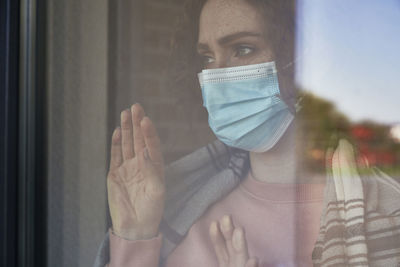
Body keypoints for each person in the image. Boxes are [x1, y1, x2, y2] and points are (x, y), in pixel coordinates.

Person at [94, 0, 400, 266]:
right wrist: (134, 242)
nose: (216, 76)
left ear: (306, 57)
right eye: (207, 57)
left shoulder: (386, 211)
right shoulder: (192, 231)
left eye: (242, 49)